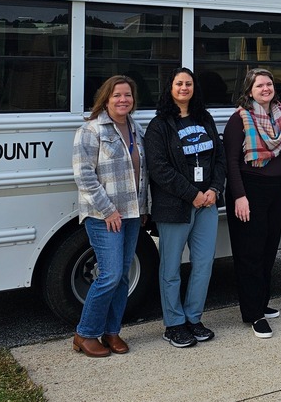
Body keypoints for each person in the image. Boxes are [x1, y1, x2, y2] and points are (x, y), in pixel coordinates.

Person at [145, 68, 225, 348]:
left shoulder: (205, 119)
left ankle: (194, 318)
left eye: (188, 84)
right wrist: (192, 194)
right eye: (179, 83)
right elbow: (159, 168)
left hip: (207, 204)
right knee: (171, 267)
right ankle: (174, 324)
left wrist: (214, 189)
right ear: (170, 88)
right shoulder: (160, 125)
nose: (183, 88)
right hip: (175, 207)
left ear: (194, 88)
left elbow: (220, 158)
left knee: (203, 264)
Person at [71, 75, 149, 357]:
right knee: (110, 274)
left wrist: (143, 209)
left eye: (127, 95)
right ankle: (85, 333)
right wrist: (108, 210)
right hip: (104, 216)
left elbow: (143, 174)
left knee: (123, 277)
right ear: (106, 98)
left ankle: (112, 331)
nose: (123, 100)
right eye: (117, 95)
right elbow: (84, 176)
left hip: (131, 214)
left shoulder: (135, 129)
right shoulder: (91, 130)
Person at [224, 68, 281, 339]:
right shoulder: (239, 119)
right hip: (249, 191)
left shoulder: (280, 117)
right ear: (249, 90)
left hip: (276, 190)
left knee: (269, 250)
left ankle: (260, 303)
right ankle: (254, 314)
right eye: (260, 85)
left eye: (269, 84)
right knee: (250, 254)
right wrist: (239, 196)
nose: (266, 89)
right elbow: (231, 162)